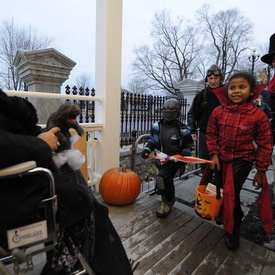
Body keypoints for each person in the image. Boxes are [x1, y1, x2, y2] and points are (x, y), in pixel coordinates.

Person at [0, 89, 133, 274]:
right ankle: (112, 268)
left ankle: (68, 260)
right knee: (89, 206)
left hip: (31, 179)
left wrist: (43, 137)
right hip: (20, 191)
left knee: (77, 194)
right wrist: (41, 144)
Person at [206, 72, 273, 250]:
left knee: (231, 193)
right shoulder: (218, 112)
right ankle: (224, 212)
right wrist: (213, 154)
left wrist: (261, 171)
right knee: (220, 188)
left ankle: (233, 228)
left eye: (241, 87)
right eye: (232, 88)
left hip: (242, 161)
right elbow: (211, 134)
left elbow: (266, 145)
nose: (236, 91)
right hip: (220, 159)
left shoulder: (258, 116)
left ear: (251, 91)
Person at [141, 98, 194, 218]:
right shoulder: (157, 126)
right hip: (160, 159)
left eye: (172, 109)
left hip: (175, 161)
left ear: (177, 111)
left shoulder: (184, 130)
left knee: (161, 178)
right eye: (166, 109)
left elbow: (189, 147)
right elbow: (152, 141)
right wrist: (146, 149)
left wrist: (183, 156)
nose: (169, 111)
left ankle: (166, 201)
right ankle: (171, 197)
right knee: (167, 180)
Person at [187, 64, 224, 172]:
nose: (213, 81)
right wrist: (192, 130)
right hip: (205, 134)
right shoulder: (201, 96)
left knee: (223, 163)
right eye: (210, 78)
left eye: (216, 78)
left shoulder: (227, 93)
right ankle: (207, 183)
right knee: (206, 162)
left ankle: (221, 186)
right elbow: (192, 114)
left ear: (220, 78)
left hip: (224, 134)